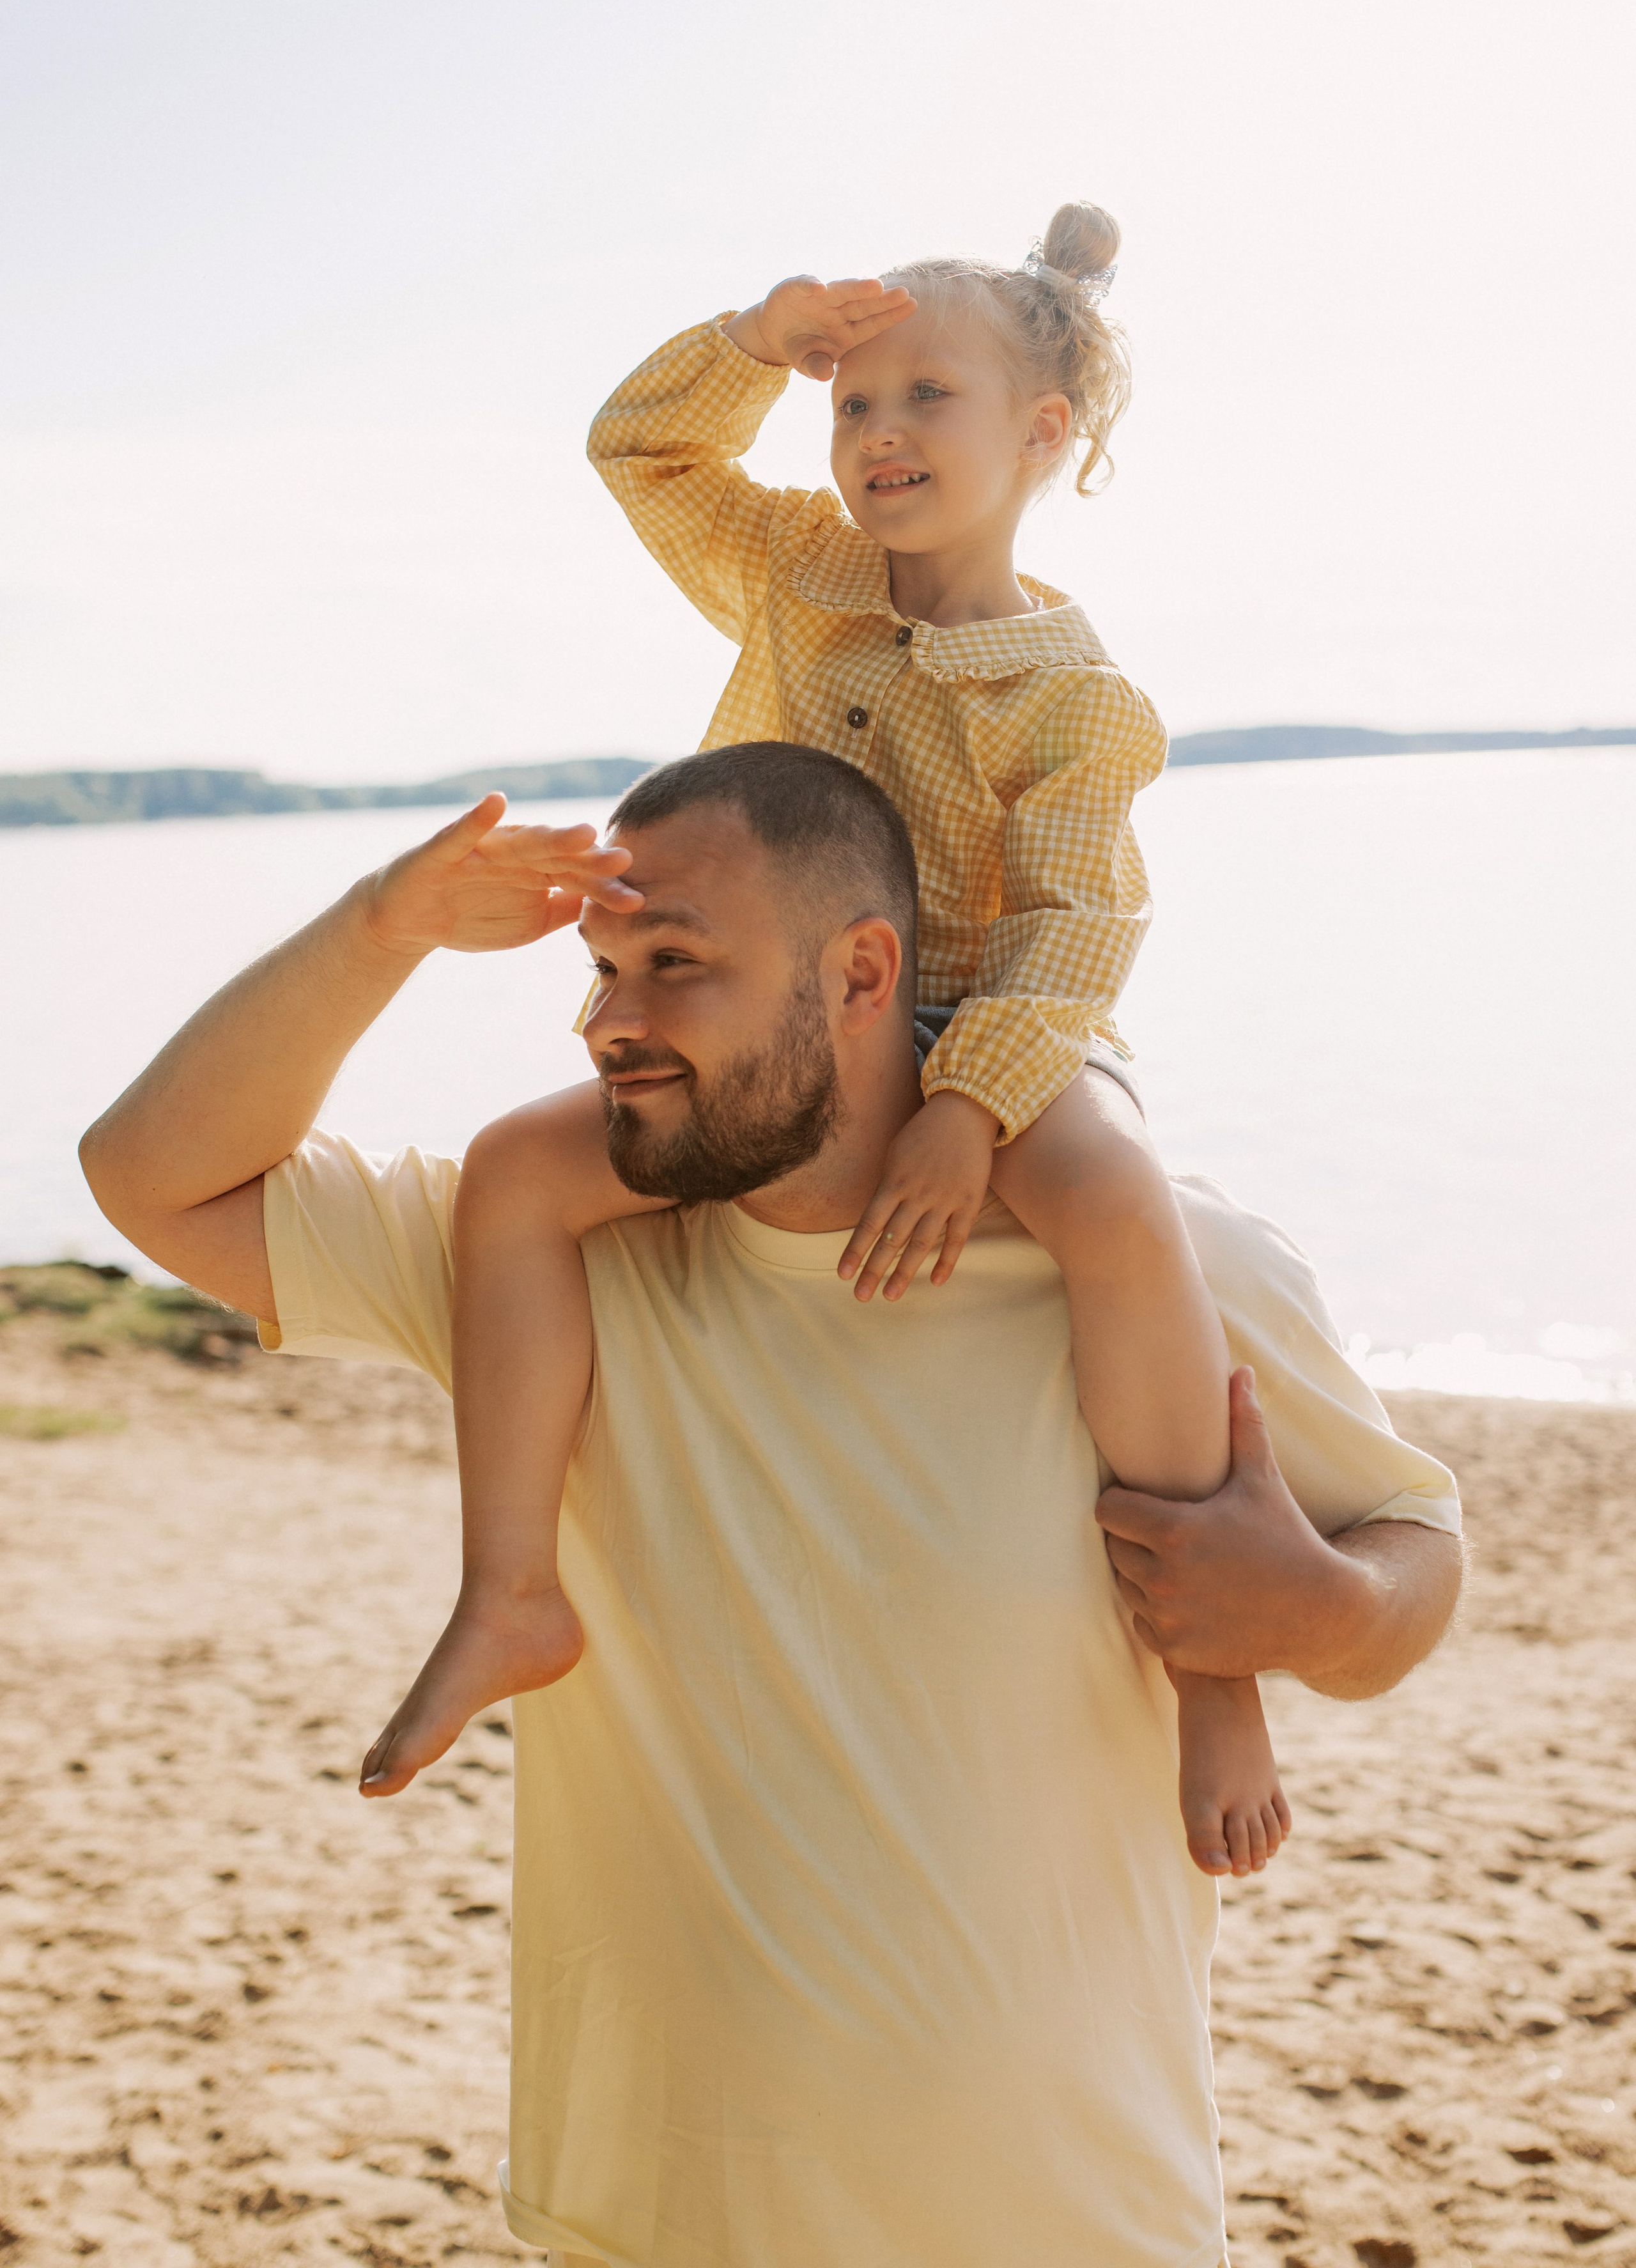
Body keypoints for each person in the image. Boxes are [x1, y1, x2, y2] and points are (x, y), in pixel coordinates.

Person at [80, 747, 1462, 2267]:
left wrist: (1327, 1610)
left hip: (1068, 2218)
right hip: (650, 2219)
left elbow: (1413, 1547)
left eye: (676, 965)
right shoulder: (537, 1267)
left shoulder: (1154, 1271)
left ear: (863, 971)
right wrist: (377, 929)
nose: (612, 1020)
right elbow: (155, 1178)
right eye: (603, 968)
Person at [376, 203, 1290, 1877]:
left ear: (1044, 433)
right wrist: (750, 336)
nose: (877, 436)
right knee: (515, 1172)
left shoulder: (1079, 697)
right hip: (785, 1024)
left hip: (986, 1023)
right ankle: (509, 1590)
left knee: (1107, 1194)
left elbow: (1078, 928)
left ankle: (1217, 1669)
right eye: (850, 403)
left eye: (925, 397)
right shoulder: (795, 566)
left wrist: (969, 1109)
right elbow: (640, 449)